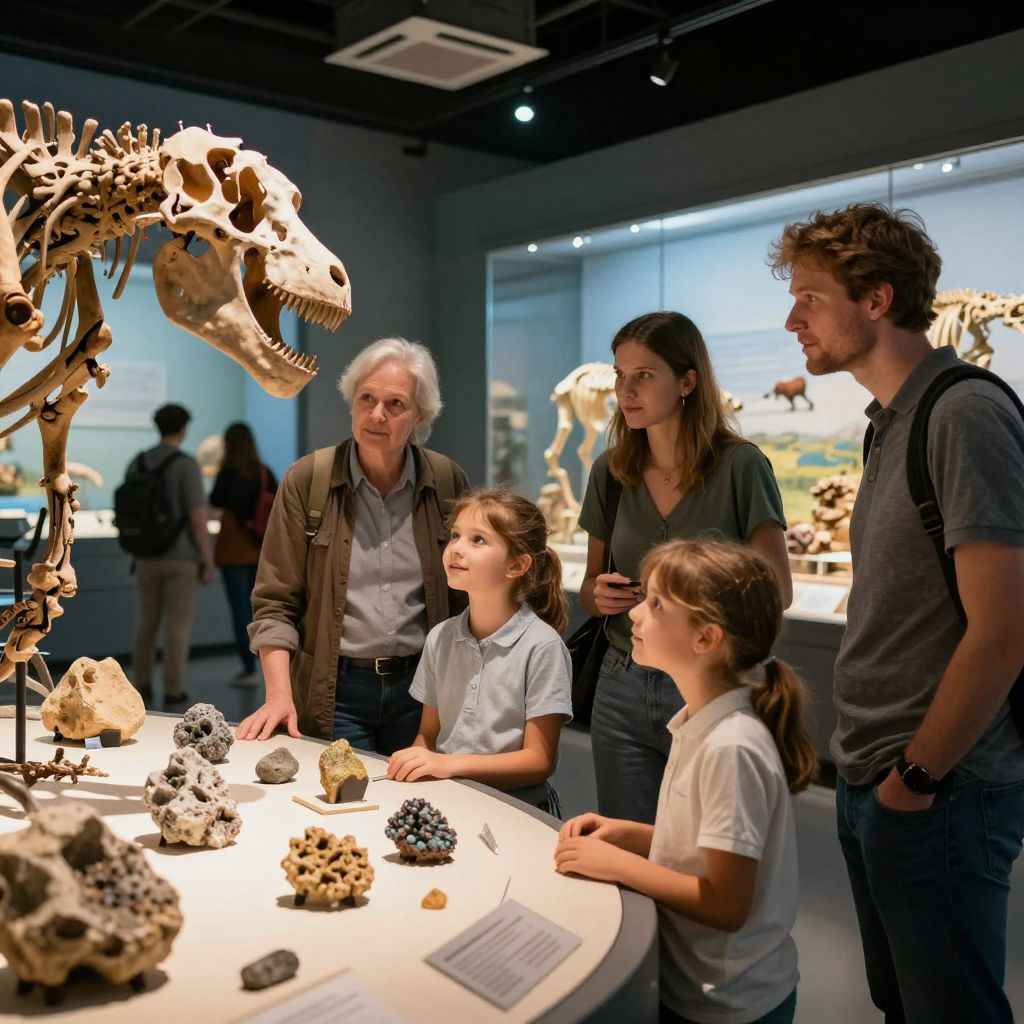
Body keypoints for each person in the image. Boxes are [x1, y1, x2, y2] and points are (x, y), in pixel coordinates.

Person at [771, 203, 1024, 1023]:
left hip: (941, 789)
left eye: (810, 298)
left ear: (876, 300)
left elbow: (1004, 631)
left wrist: (915, 778)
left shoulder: (964, 415)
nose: (791, 319)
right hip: (881, 777)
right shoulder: (891, 424)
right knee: (905, 1005)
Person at [556, 540, 815, 1024]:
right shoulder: (700, 721)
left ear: (706, 638)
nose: (635, 615)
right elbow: (709, 851)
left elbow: (726, 902)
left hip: (727, 1002)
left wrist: (616, 864)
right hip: (692, 984)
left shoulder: (731, 746)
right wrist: (629, 835)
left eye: (655, 605)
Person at [578, 311, 791, 824]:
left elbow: (776, 590)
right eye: (619, 376)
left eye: (644, 376)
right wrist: (598, 595)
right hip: (623, 677)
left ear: (687, 381)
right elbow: (589, 585)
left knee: (705, 851)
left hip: (709, 683)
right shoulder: (611, 471)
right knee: (627, 840)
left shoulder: (741, 466)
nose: (626, 391)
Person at [237, 337, 470, 751]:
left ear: (420, 415)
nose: (376, 415)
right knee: (343, 804)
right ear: (352, 401)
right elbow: (274, 601)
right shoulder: (309, 480)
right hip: (335, 690)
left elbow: (467, 600)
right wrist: (278, 695)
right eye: (367, 398)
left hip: (424, 690)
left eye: (395, 404)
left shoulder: (447, 481)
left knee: (418, 809)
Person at [388, 488, 572, 811]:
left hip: (518, 812)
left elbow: (538, 760)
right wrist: (418, 766)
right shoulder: (439, 638)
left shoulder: (543, 647)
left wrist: (450, 765)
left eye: (478, 540)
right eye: (455, 535)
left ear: (516, 565)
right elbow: (428, 736)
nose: (456, 549)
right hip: (450, 803)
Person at [130, 402, 215, 707]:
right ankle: (173, 688)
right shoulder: (185, 464)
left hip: (145, 557)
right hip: (181, 557)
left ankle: (140, 684)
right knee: (177, 625)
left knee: (146, 622)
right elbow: (196, 516)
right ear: (183, 429)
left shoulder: (139, 461)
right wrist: (208, 558)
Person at [209, 422, 277, 686]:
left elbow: (215, 500)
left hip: (233, 551)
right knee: (262, 610)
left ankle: (248, 668)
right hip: (260, 550)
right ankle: (269, 668)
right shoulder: (263, 472)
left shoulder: (227, 473)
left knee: (240, 611)